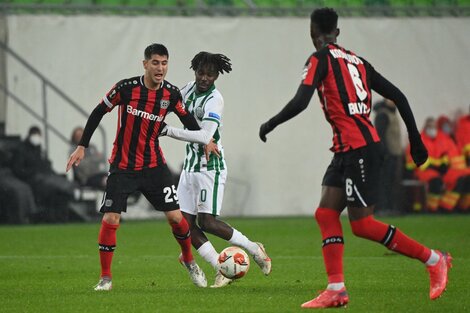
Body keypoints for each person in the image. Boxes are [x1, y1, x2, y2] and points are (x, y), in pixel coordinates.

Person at [259, 8, 452, 308]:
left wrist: (269, 123)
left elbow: (301, 101)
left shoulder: (318, 59)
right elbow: (399, 95)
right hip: (346, 149)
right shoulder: (360, 62)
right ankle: (336, 289)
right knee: (325, 214)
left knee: (362, 225)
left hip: (359, 149)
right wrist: (415, 141)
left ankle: (435, 259)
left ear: (314, 34)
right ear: (338, 32)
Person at [66, 43, 209, 291]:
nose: (160, 68)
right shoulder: (126, 88)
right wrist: (82, 145)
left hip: (154, 165)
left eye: (164, 63)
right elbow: (99, 112)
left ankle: (187, 259)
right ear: (145, 64)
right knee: (111, 218)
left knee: (176, 218)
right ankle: (105, 278)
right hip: (123, 165)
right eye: (155, 62)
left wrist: (208, 141)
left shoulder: (171, 95)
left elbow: (189, 122)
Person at [161, 52, 272, 288]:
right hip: (190, 166)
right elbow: (169, 104)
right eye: (201, 72)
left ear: (216, 76)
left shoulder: (215, 100)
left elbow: (205, 136)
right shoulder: (188, 89)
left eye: (210, 74)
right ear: (195, 71)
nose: (204, 78)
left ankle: (254, 248)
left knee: (207, 222)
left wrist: (167, 130)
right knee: (183, 225)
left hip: (210, 166)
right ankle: (219, 268)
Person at [13, 126, 78, 223]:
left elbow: (46, 165)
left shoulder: (39, 150)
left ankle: (67, 190)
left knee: (57, 181)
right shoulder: (21, 150)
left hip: (44, 176)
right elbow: (18, 169)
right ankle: (69, 188)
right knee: (51, 183)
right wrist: (33, 172)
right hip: (34, 178)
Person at [373, 98, 403, 214]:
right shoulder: (383, 115)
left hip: (394, 153)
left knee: (391, 182)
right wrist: (384, 153)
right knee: (384, 182)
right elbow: (380, 136)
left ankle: (391, 207)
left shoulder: (392, 113)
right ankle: (383, 207)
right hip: (387, 154)